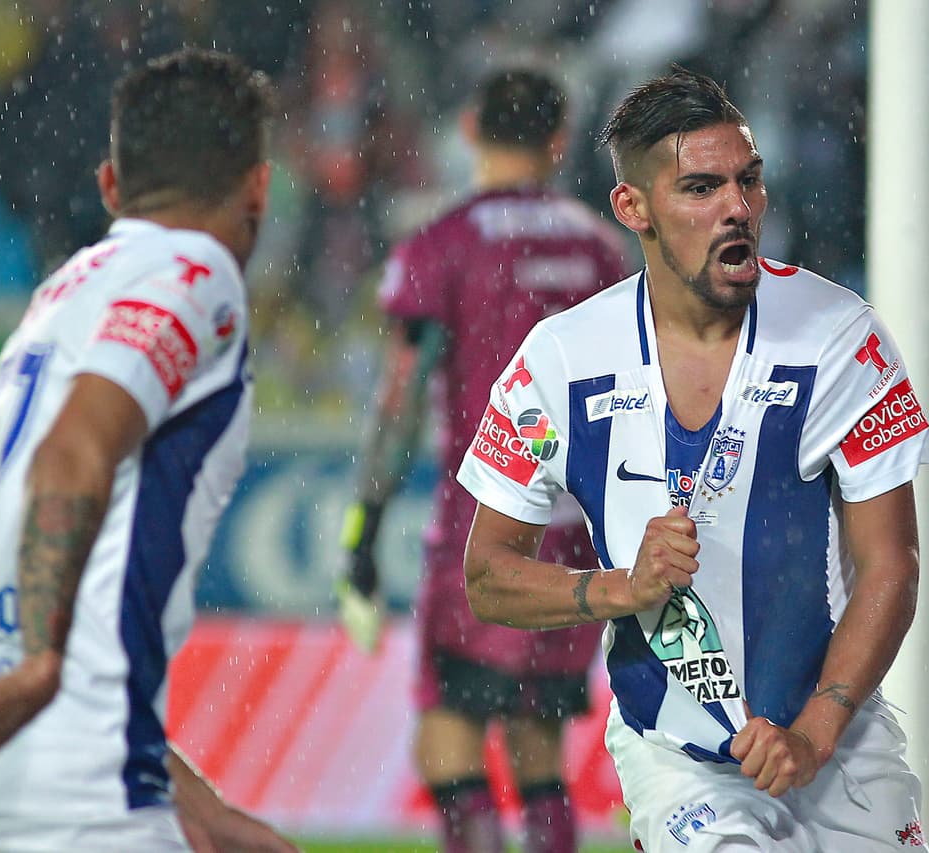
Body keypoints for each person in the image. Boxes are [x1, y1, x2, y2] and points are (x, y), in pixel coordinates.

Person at [456, 67, 929, 852]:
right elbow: (488, 573)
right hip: (680, 759)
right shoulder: (562, 360)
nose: (737, 208)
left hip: (840, 743)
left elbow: (892, 565)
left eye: (748, 181)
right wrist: (622, 587)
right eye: (702, 188)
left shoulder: (841, 336)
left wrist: (813, 732)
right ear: (632, 208)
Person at [0, 48, 297, 853]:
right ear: (259, 187)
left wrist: (207, 814)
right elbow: (74, 450)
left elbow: (70, 618)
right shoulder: (197, 269)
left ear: (111, 186)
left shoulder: (56, 301)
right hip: (64, 798)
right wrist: (40, 668)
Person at [334, 68, 628, 852]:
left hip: (482, 533)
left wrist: (363, 534)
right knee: (540, 755)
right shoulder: (603, 250)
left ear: (469, 128)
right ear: (559, 141)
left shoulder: (443, 245)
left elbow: (397, 406)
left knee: (449, 741)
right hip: (571, 536)